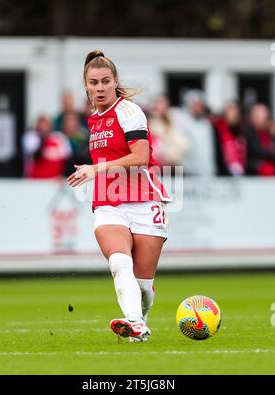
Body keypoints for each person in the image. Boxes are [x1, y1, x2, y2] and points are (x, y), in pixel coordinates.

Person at [67, 50, 171, 342]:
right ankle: (135, 323)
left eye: (104, 82)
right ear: (86, 86)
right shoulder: (93, 119)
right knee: (118, 262)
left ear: (115, 82)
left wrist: (95, 168)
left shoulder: (129, 111)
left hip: (145, 200)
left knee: (143, 286)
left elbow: (140, 157)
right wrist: (96, 173)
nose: (99, 88)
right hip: (109, 203)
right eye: (93, 83)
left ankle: (140, 321)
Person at [214, 101, 247, 176]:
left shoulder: (243, 132)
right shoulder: (217, 131)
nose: (234, 114)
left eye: (236, 111)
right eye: (231, 110)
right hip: (222, 175)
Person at [245, 104, 275, 176]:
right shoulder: (247, 133)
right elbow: (256, 150)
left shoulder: (271, 133)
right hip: (254, 175)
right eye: (257, 116)